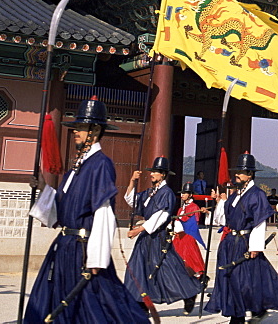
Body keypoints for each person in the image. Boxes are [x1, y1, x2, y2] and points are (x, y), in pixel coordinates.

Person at [24, 97, 147, 324]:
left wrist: (97, 259)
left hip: (83, 251)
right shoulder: (75, 167)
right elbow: (59, 211)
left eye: (80, 128)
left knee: (95, 306)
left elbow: (103, 211)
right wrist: (42, 186)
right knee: (55, 303)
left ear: (95, 130)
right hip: (64, 248)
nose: (75, 133)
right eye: (76, 128)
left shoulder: (101, 163)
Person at [204, 151, 278, 324]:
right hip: (230, 243)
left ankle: (249, 313)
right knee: (232, 281)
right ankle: (239, 315)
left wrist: (255, 247)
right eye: (236, 171)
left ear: (250, 174)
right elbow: (223, 219)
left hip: (245, 243)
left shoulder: (257, 194)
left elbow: (259, 222)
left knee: (245, 282)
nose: (236, 174)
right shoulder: (235, 195)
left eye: (241, 171)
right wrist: (220, 202)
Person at [123, 156, 203, 315]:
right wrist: (132, 181)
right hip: (145, 237)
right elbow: (132, 201)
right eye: (152, 171)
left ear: (163, 175)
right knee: (137, 267)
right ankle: (140, 304)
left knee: (167, 268)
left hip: (157, 237)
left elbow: (159, 217)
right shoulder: (150, 192)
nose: (152, 174)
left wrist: (137, 230)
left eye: (156, 172)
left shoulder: (167, 193)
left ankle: (190, 292)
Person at [171, 182, 207, 278]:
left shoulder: (194, 207)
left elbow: (193, 222)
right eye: (182, 193)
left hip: (187, 237)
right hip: (178, 237)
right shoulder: (180, 208)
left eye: (185, 193)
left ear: (190, 195)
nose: (182, 195)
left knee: (189, 259)